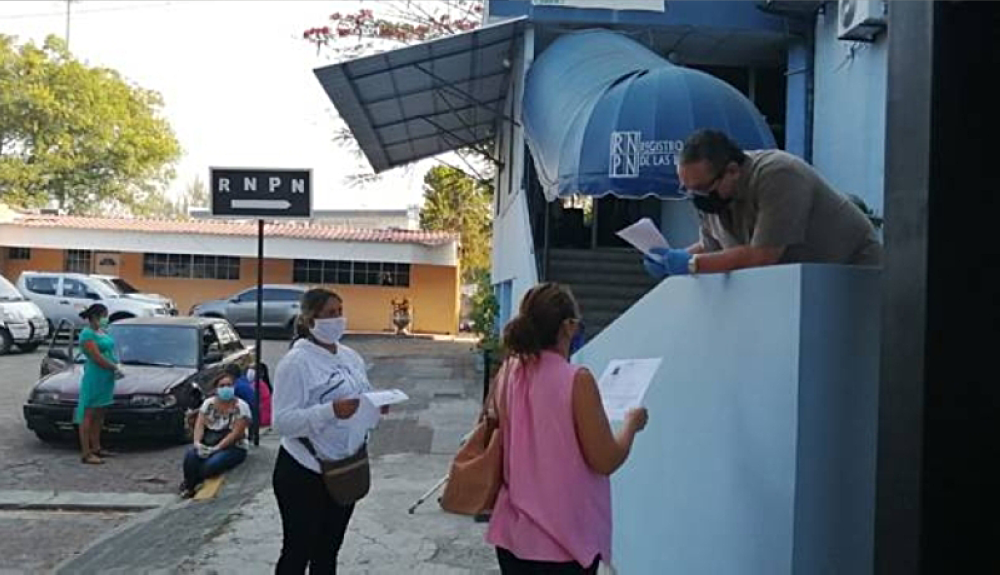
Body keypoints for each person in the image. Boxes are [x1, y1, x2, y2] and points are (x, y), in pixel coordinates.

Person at [486, 283, 649, 574]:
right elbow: (605, 460)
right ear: (568, 327)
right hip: (564, 544)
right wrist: (631, 426)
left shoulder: (509, 372)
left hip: (513, 536)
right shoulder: (577, 380)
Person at [644, 129, 883, 278]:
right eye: (688, 190)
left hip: (854, 275)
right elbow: (713, 249)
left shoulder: (779, 174)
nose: (697, 197)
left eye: (701, 189)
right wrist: (672, 258)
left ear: (732, 171)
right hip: (803, 285)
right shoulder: (713, 195)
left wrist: (692, 264)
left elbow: (763, 255)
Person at [272, 288, 385, 574]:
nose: (338, 319)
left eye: (340, 312)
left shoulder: (350, 357)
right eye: (330, 314)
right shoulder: (296, 363)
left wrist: (376, 405)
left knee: (328, 550)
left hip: (345, 467)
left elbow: (362, 393)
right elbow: (282, 422)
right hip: (304, 470)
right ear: (311, 320)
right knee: (298, 551)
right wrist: (329, 411)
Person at [180, 371, 251, 498]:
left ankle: (195, 481)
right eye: (222, 386)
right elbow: (200, 425)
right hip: (209, 441)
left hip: (233, 446)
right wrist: (197, 443)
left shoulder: (241, 407)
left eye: (229, 385)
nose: (226, 388)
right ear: (216, 389)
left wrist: (217, 449)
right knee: (190, 456)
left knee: (211, 465)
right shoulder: (209, 404)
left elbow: (236, 433)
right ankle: (189, 486)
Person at [75, 304, 123, 465]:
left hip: (106, 378)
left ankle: (96, 447)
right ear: (95, 317)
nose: (106, 319)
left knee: (100, 413)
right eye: (104, 316)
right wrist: (114, 367)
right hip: (95, 376)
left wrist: (116, 364)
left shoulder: (102, 332)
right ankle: (86, 452)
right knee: (88, 413)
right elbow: (96, 357)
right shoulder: (87, 334)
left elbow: (109, 351)